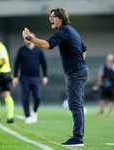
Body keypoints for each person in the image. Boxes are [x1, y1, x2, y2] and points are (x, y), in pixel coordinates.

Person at [22, 8, 88, 146]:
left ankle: (78, 138)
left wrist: (29, 38)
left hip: (76, 72)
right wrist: (80, 65)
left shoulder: (63, 31)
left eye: (52, 17)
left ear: (60, 18)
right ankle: (78, 136)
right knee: (76, 104)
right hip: (78, 70)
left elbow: (47, 45)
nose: (50, 19)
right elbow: (83, 49)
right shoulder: (72, 30)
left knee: (75, 104)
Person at [13, 33, 48, 124]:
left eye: (29, 37)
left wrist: (45, 76)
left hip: (36, 78)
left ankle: (34, 111)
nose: (26, 39)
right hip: (24, 78)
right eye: (25, 38)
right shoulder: (21, 51)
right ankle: (28, 116)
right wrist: (15, 76)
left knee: (37, 97)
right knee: (25, 97)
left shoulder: (39, 51)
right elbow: (16, 64)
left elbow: (44, 64)